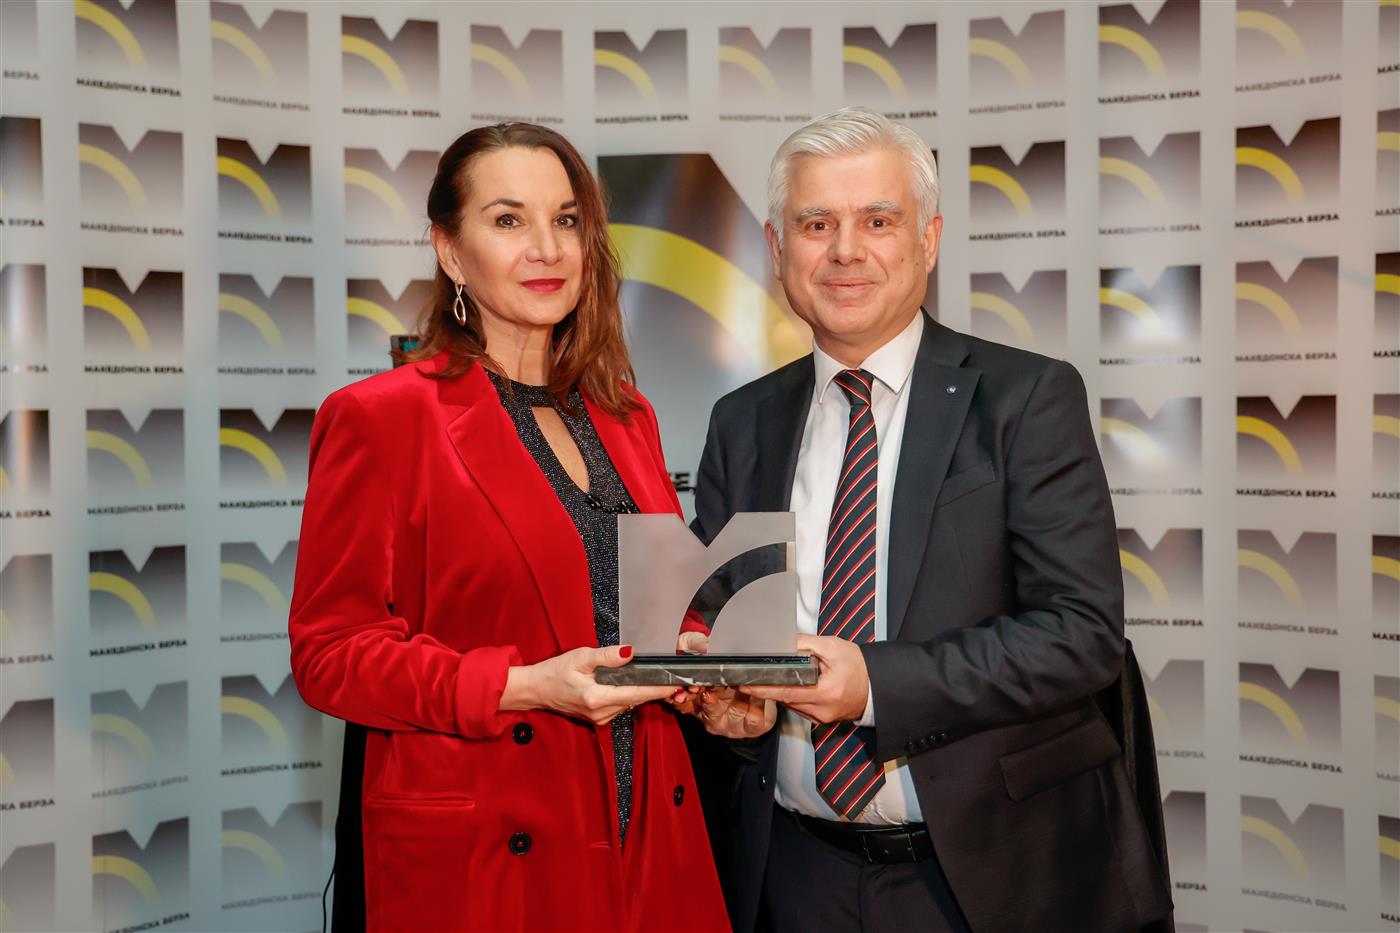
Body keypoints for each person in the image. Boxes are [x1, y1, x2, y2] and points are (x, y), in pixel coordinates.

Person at [686, 108, 1173, 932]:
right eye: (816, 224)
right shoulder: (742, 422)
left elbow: (1082, 633)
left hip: (994, 876)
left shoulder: (1026, 399)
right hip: (794, 875)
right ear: (777, 247)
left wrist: (876, 685)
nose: (846, 250)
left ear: (929, 239)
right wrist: (733, 710)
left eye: (878, 221)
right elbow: (732, 629)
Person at [289, 122, 730, 933]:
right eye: (507, 220)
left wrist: (699, 654)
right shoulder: (381, 419)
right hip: (491, 852)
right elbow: (330, 655)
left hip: (650, 834)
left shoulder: (626, 415)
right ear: (450, 252)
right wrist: (521, 685)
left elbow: (654, 605)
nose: (547, 248)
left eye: (566, 220)